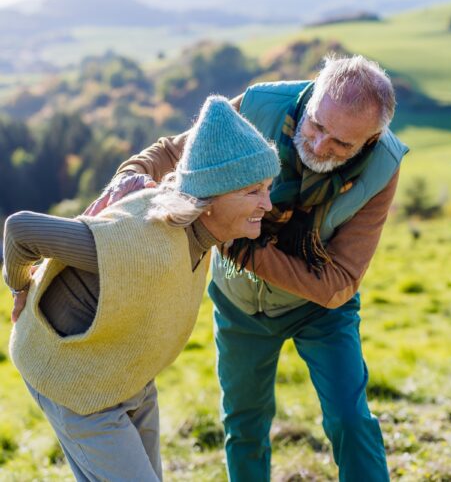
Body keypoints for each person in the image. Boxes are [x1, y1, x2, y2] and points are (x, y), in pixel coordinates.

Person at [88, 54, 409, 482]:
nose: (319, 147)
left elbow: (338, 285)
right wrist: (124, 180)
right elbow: (172, 151)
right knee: (244, 424)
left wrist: (244, 249)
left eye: (341, 144)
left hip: (321, 311)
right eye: (317, 126)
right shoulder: (260, 106)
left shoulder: (384, 165)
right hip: (240, 304)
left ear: (369, 140)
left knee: (351, 420)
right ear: (312, 95)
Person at [2, 96, 281, 482]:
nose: (267, 203)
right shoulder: (139, 243)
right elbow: (21, 230)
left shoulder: (201, 238)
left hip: (128, 378)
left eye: (267, 188)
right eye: (253, 191)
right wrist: (19, 288)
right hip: (75, 384)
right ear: (210, 200)